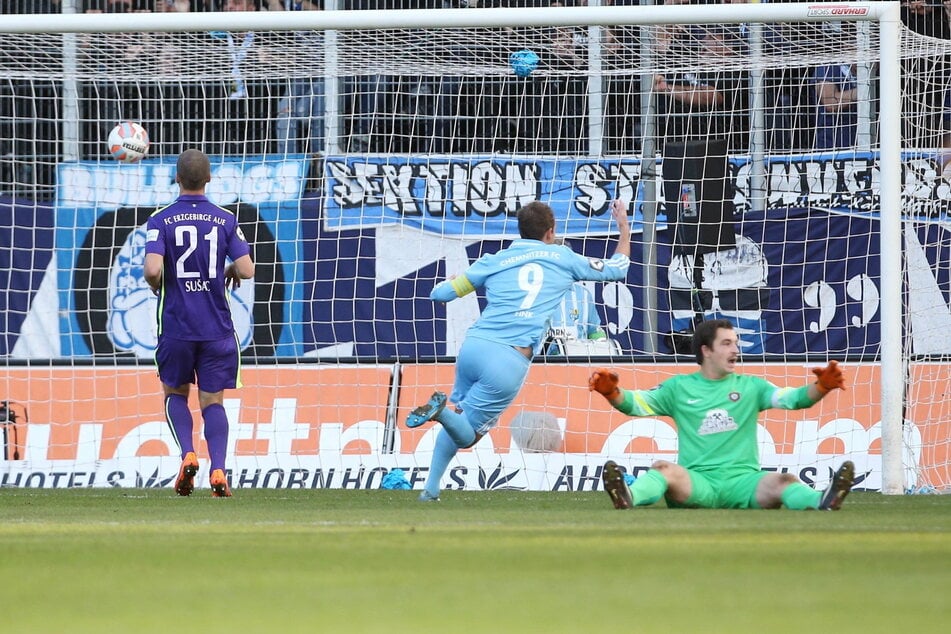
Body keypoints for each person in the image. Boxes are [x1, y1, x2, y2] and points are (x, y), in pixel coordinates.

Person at [406, 199, 632, 501]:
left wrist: (447, 285)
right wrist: (624, 228)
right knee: (469, 434)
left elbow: (441, 295)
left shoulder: (496, 258)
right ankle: (440, 413)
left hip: (474, 347)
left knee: (461, 417)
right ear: (550, 232)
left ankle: (430, 490)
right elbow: (618, 269)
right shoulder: (563, 258)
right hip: (508, 360)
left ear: (520, 230)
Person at [589, 318, 855, 511]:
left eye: (735, 343)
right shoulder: (678, 388)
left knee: (783, 481)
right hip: (698, 482)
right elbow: (637, 403)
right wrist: (612, 393)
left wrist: (821, 387)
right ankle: (627, 496)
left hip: (744, 482)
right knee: (663, 469)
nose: (735, 350)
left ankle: (822, 500)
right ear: (706, 350)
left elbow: (793, 399)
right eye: (726, 344)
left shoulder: (752, 387)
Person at [143, 149, 255, 497]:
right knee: (213, 403)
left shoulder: (159, 220)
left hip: (176, 327)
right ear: (209, 179)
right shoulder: (225, 219)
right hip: (216, 329)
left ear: (177, 179)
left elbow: (152, 270)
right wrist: (230, 269)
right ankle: (218, 469)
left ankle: (187, 453)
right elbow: (248, 270)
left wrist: (156, 283)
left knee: (174, 393)